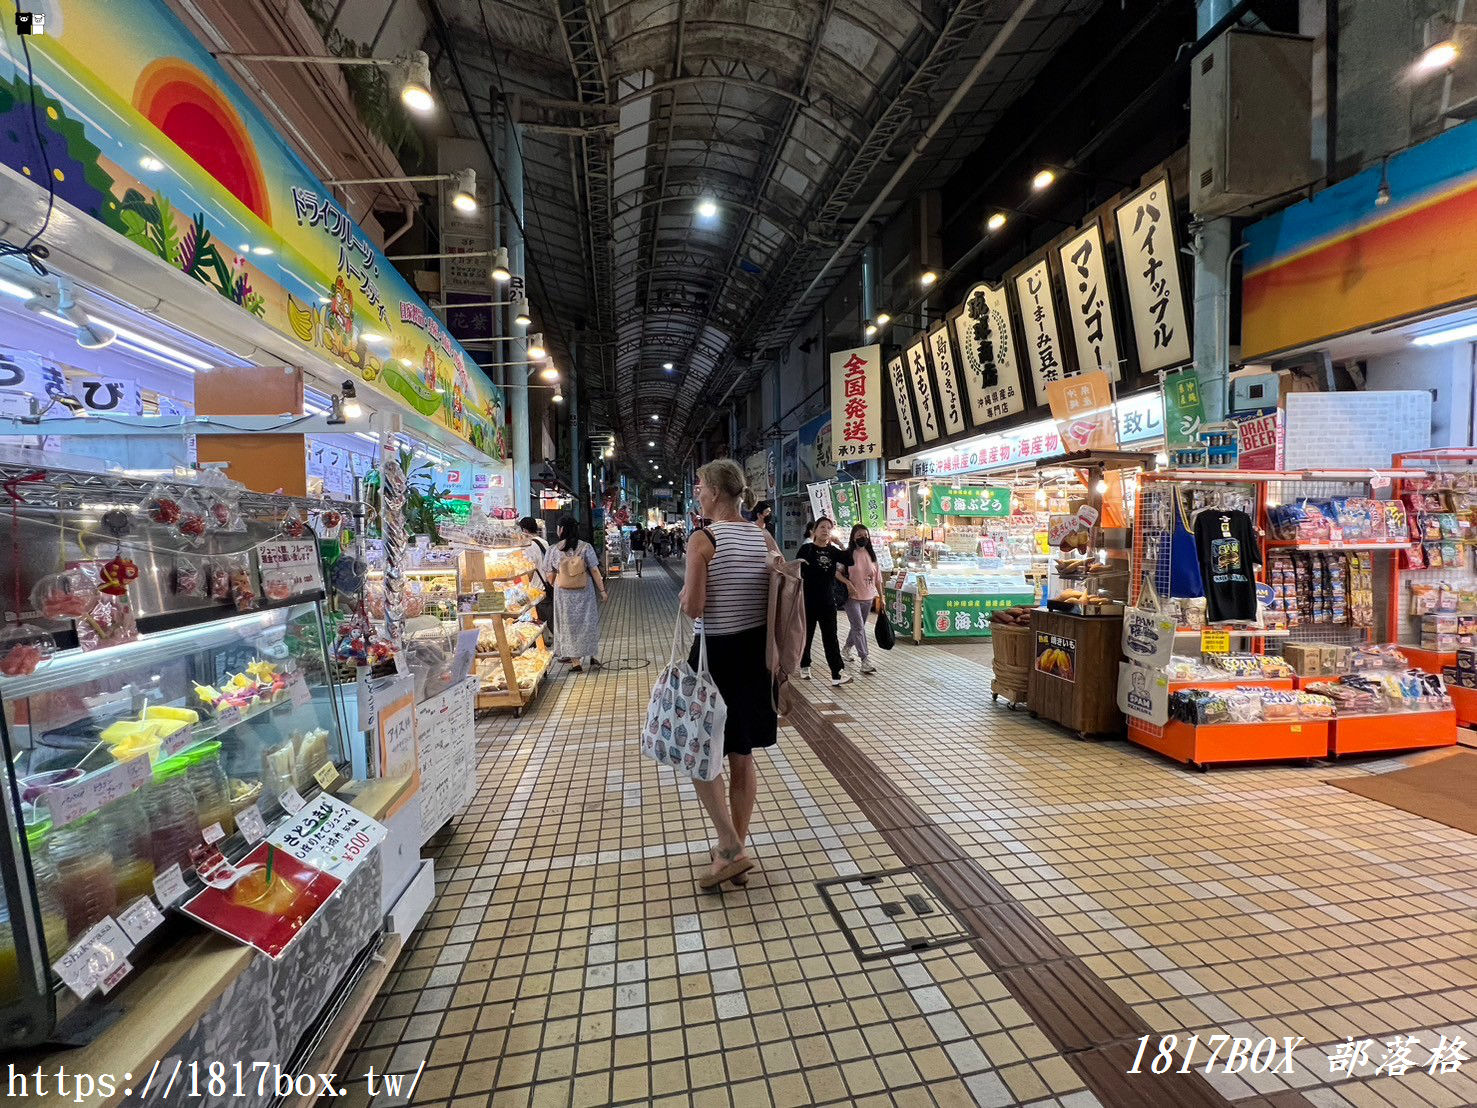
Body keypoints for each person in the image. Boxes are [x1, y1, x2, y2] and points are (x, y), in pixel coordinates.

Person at [680, 458, 782, 891]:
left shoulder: (703, 540)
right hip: (755, 657)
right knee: (742, 754)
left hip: (714, 656)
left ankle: (729, 846)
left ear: (717, 491)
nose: (697, 493)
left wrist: (687, 590)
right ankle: (736, 846)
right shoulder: (763, 537)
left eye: (700, 486)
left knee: (699, 750)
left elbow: (694, 607)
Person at [541, 516, 607, 671]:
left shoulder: (553, 549)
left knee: (566, 625)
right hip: (584, 591)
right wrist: (602, 591)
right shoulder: (586, 547)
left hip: (563, 594)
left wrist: (558, 582)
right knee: (586, 622)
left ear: (561, 529)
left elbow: (549, 574)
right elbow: (595, 570)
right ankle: (590, 654)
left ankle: (575, 661)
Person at [796, 517, 853, 686]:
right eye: (822, 527)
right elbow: (797, 570)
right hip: (808, 600)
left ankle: (837, 673)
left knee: (831, 637)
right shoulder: (806, 549)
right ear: (814, 530)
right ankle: (804, 664)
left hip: (828, 601)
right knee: (807, 634)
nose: (825, 530)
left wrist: (840, 543)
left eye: (829, 528)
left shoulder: (833, 551)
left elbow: (850, 560)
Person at [841, 523, 883, 674]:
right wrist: (848, 583)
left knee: (858, 627)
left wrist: (881, 597)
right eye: (859, 535)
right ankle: (865, 660)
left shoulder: (872, 555)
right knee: (859, 627)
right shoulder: (847, 554)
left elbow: (878, 579)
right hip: (851, 597)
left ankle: (846, 649)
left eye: (865, 535)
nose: (862, 538)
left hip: (868, 596)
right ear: (853, 537)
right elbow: (837, 572)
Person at [517, 516, 554, 633]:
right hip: (547, 585)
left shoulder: (529, 545)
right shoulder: (544, 542)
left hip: (536, 589)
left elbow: (529, 569)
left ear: (525, 530)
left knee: (536, 622)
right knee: (550, 620)